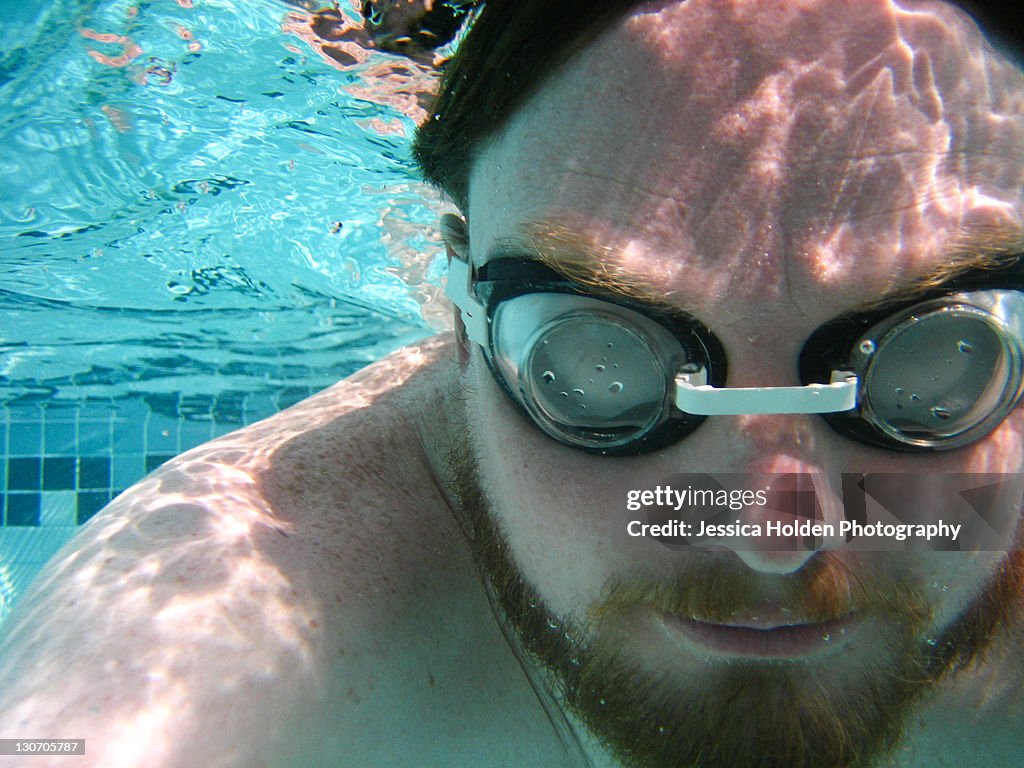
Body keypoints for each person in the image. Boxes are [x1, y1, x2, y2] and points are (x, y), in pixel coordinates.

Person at [1, 1, 1024, 766]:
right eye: (597, 362)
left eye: (936, 356)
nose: (771, 534)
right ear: (460, 325)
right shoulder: (235, 625)